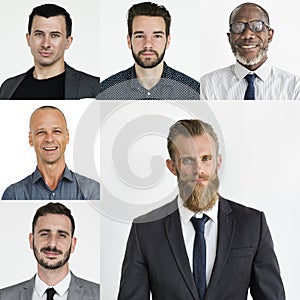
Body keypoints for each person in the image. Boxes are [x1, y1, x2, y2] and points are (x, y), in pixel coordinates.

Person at [118, 119, 285, 299]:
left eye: (206, 159)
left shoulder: (252, 224)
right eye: (188, 160)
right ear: (172, 166)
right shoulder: (145, 230)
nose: (199, 170)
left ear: (218, 162)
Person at [98, 2, 200, 100]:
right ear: (129, 41)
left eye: (157, 36)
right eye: (140, 36)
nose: (147, 44)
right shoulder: (106, 91)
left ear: (168, 41)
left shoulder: (192, 92)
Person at [200, 2, 300, 100]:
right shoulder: (208, 84)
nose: (247, 35)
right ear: (229, 37)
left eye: (257, 27)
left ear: (269, 35)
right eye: (238, 27)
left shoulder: (294, 87)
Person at [0, 202, 100, 299]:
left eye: (61, 235)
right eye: (44, 234)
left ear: (73, 244)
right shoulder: (4, 296)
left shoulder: (99, 295)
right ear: (31, 240)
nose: (52, 244)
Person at [0, 4, 99, 99]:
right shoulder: (7, 88)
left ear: (68, 42)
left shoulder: (95, 88)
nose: (46, 44)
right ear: (28, 39)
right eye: (39, 34)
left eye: (55, 35)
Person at [2, 106, 100, 200]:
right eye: (41, 132)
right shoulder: (14, 194)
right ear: (31, 139)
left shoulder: (91, 190)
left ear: (67, 137)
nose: (49, 139)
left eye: (56, 131)